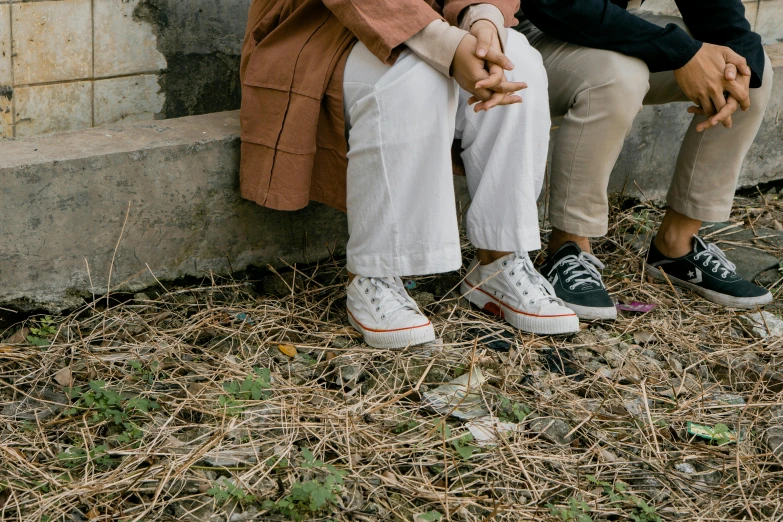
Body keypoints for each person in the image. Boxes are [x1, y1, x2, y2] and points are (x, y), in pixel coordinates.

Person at [240, 0, 579, 349]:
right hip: (322, 32)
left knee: (517, 59)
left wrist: (483, 21)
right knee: (413, 75)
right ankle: (373, 273)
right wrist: (445, 44)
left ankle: (500, 258)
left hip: (440, 20)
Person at [515, 0, 775, 320]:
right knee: (619, 76)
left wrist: (738, 58)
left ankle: (675, 246)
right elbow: (556, 6)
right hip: (518, 31)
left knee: (745, 67)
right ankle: (568, 250)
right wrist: (680, 51)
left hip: (604, 27)